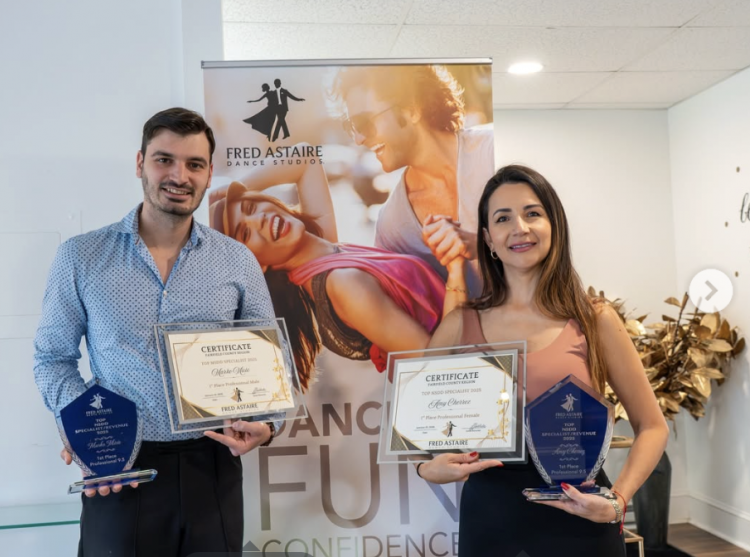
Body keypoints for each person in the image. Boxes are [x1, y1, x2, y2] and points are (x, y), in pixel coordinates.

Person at [33, 108, 281, 557]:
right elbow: (52, 358)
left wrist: (268, 423)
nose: (179, 176)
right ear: (140, 163)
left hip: (213, 465)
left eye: (194, 164)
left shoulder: (237, 260)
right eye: (164, 160)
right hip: (119, 467)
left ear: (209, 174)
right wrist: (87, 427)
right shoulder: (81, 257)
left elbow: (269, 364)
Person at [417, 165, 669, 557]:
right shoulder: (458, 324)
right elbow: (415, 426)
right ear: (488, 238)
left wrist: (618, 502)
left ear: (554, 225)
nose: (519, 228)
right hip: (490, 520)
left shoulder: (595, 319)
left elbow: (653, 426)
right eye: (503, 218)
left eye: (532, 213)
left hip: (582, 518)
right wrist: (424, 466)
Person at [209, 152, 468, 388]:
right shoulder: (343, 283)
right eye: (245, 233)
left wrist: (234, 188)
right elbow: (436, 366)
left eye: (251, 207)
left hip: (478, 351)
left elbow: (305, 158)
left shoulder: (323, 249)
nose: (259, 220)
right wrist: (455, 268)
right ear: (257, 265)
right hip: (469, 378)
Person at [332, 64, 495, 295]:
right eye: (352, 127)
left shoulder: (494, 151)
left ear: (411, 109)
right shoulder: (392, 227)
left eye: (364, 122)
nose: (358, 139)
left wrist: (482, 245)